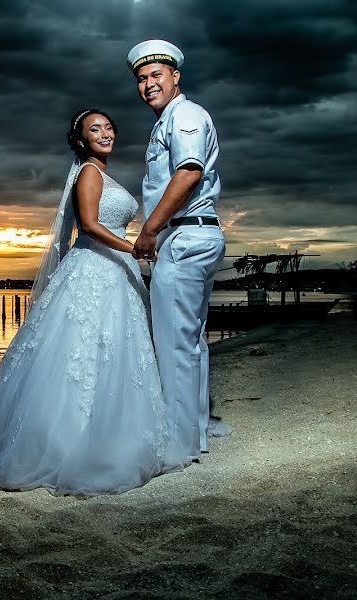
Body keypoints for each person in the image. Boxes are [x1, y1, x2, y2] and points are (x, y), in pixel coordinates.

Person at [0, 109, 185, 495]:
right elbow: (91, 226)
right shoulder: (89, 174)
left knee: (110, 353)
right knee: (82, 353)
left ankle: (106, 431)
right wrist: (134, 248)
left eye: (109, 127)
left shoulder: (100, 173)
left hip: (113, 272)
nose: (106, 133)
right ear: (80, 140)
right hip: (95, 268)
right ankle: (67, 441)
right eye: (95, 129)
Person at [127, 40, 227, 463]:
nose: (149, 84)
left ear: (176, 77)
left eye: (156, 76)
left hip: (184, 238)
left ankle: (179, 448)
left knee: (173, 345)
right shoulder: (168, 118)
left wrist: (149, 231)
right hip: (191, 237)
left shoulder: (184, 114)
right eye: (142, 78)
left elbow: (188, 172)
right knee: (191, 343)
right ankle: (194, 432)